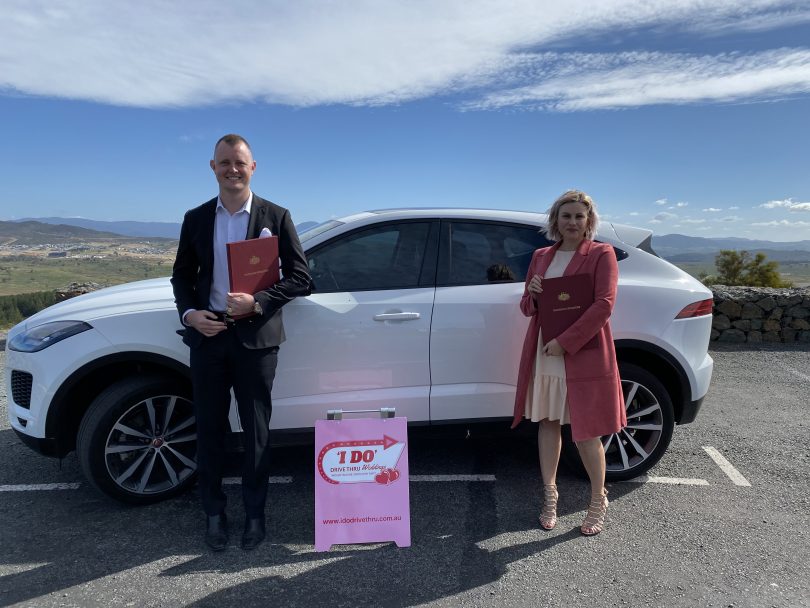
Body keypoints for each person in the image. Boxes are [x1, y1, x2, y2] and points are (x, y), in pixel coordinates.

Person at [171, 134, 311, 551]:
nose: (233, 169)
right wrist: (190, 314)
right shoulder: (195, 218)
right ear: (212, 167)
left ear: (254, 167)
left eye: (240, 162)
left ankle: (255, 515)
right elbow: (182, 276)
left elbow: (302, 278)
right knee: (210, 430)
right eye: (225, 162)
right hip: (209, 336)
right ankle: (214, 514)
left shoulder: (277, 215)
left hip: (256, 341)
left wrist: (258, 302)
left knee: (256, 433)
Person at [511, 190, 626, 536]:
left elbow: (604, 305)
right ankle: (550, 495)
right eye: (566, 216)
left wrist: (567, 342)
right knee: (548, 422)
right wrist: (531, 293)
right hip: (546, 352)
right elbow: (528, 309)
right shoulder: (541, 256)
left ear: (589, 221)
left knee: (586, 431)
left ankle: (597, 499)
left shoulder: (601, 254)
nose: (573, 222)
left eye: (579, 216)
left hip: (581, 354)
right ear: (555, 220)